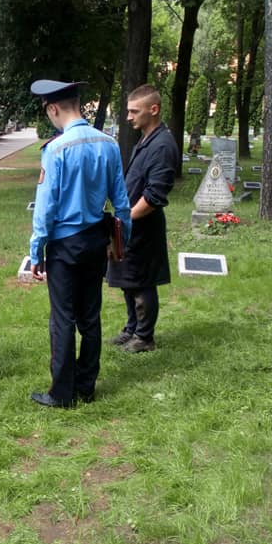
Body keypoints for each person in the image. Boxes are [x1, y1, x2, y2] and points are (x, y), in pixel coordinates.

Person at [28, 79, 131, 408]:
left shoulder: (55, 149)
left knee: (62, 319)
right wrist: (120, 242)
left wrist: (36, 252)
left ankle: (61, 394)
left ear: (53, 108)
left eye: (48, 114)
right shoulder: (109, 144)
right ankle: (86, 387)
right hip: (95, 242)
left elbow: (45, 210)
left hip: (64, 245)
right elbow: (122, 203)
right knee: (90, 316)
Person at [106, 84, 178, 353]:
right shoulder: (147, 139)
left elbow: (155, 194)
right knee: (128, 281)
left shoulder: (162, 145)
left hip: (142, 226)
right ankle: (132, 329)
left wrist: (124, 220)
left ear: (154, 109)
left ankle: (144, 337)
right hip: (130, 225)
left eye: (134, 111)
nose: (128, 117)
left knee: (141, 282)